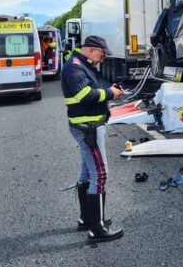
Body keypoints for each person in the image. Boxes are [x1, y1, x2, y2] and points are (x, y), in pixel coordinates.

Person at [61, 35, 124, 243]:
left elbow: (91, 90)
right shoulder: (75, 66)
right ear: (90, 49)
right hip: (87, 129)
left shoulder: (83, 65)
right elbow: (84, 94)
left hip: (89, 126)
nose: (102, 59)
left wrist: (109, 91)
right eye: (101, 54)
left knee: (88, 173)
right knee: (100, 174)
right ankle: (97, 229)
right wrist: (109, 93)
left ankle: (87, 219)